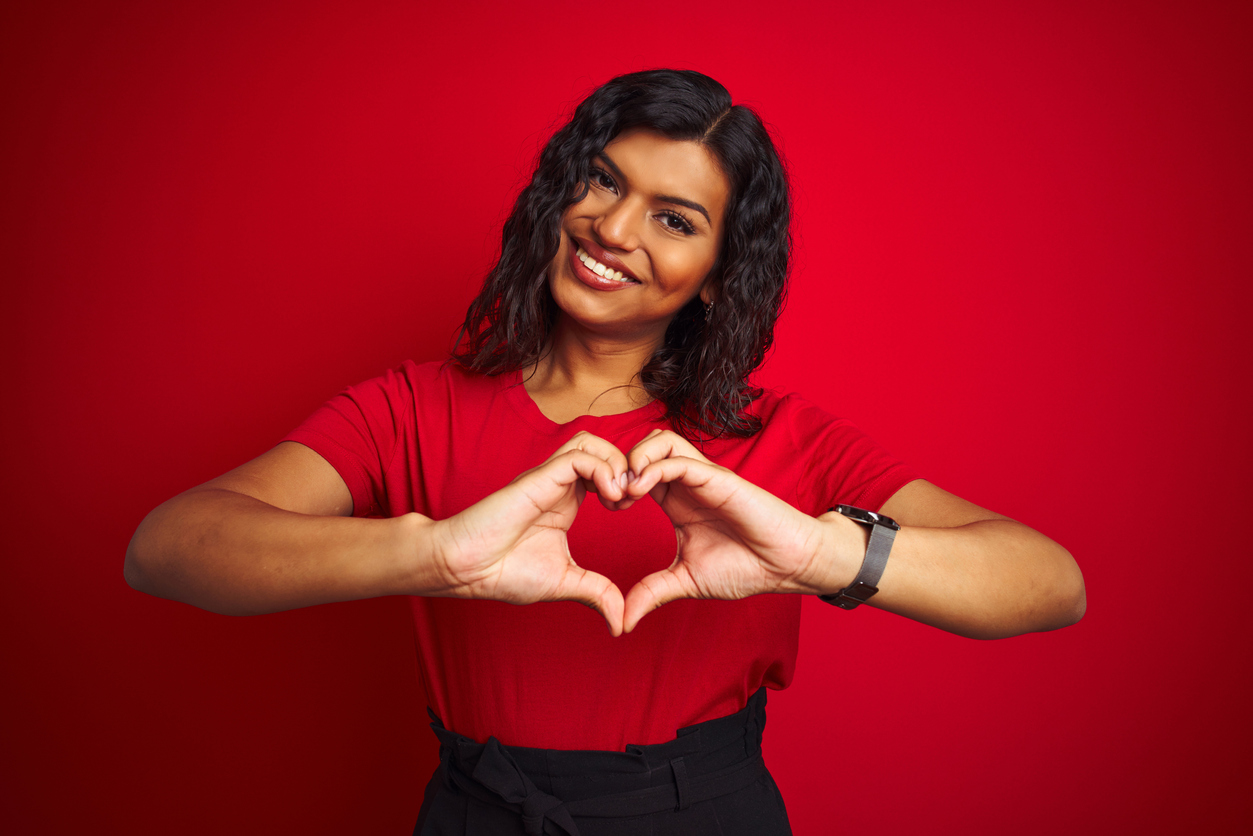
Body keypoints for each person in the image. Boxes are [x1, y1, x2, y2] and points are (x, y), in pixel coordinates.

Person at [125, 69, 1085, 835]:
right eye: (603, 181)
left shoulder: (779, 438)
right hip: (476, 811)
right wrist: (437, 552)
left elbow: (1047, 584)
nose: (615, 230)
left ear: (716, 277)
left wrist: (818, 554)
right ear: (561, 191)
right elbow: (168, 547)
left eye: (675, 219)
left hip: (706, 815)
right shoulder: (408, 407)